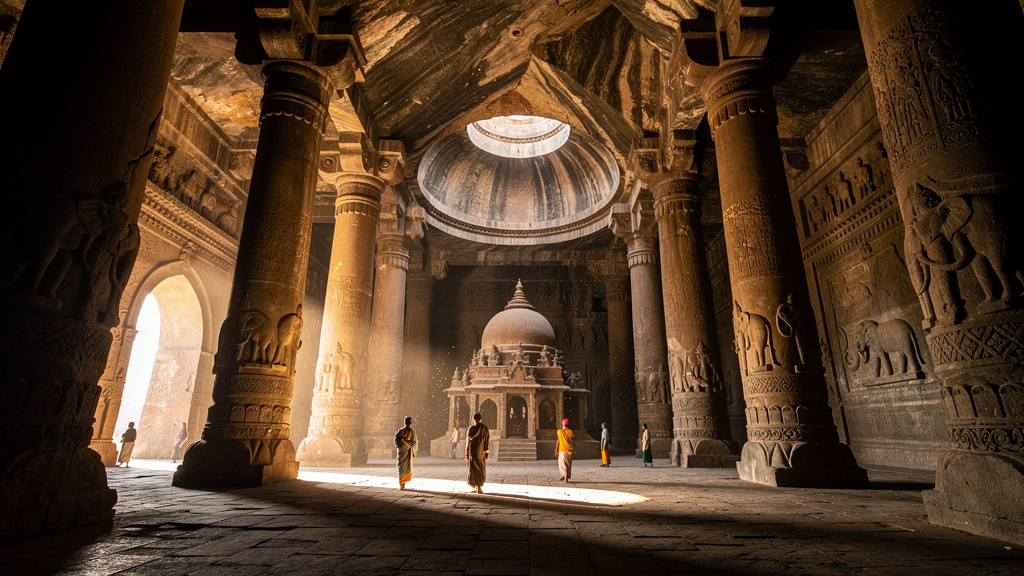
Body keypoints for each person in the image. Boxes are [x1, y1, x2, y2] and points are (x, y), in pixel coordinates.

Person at [466, 413, 489, 493]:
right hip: (481, 452)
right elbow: (486, 441)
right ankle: (479, 486)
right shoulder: (484, 428)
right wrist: (487, 451)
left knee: (473, 469)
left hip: (473, 452)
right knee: (480, 468)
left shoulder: (471, 428)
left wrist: (467, 452)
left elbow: (468, 441)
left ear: (474, 419)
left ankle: (476, 485)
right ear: (480, 419)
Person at [394, 416, 418, 490]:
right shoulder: (412, 431)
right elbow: (414, 442)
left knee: (401, 467)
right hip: (407, 451)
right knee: (406, 467)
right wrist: (409, 446)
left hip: (401, 452)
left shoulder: (400, 431)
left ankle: (401, 484)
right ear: (410, 423)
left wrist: (401, 445)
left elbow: (396, 441)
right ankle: (403, 484)